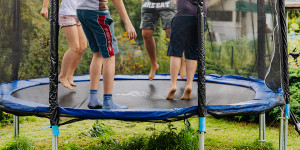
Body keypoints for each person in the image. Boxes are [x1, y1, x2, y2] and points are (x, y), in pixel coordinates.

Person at [76, 0, 137, 109]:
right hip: (97, 12)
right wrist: (127, 22)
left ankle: (93, 98)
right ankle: (108, 101)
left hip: (81, 10)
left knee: (97, 53)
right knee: (110, 55)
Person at [40, 0, 87, 90]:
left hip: (80, 13)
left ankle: (70, 74)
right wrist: (45, 7)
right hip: (67, 13)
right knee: (74, 47)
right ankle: (62, 75)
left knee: (82, 47)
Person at [166, 0, 206, 100]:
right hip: (200, 15)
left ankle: (173, 84)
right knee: (192, 51)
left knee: (175, 52)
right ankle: (189, 85)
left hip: (182, 14)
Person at [141, 0, 186, 80]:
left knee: (171, 31)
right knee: (146, 34)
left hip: (167, 2)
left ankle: (182, 63)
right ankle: (154, 65)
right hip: (149, 3)